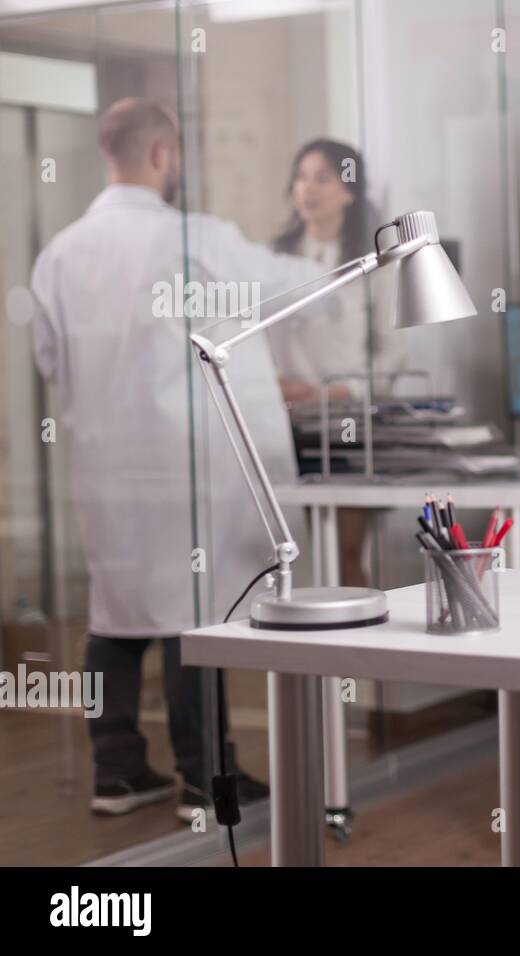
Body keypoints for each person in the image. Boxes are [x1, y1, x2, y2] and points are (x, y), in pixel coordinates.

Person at [30, 97, 329, 821]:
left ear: (111, 154)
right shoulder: (197, 237)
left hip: (107, 465)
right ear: (163, 155)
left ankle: (118, 771)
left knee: (118, 615)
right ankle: (205, 776)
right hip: (184, 466)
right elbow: (294, 290)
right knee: (193, 616)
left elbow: (47, 358)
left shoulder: (60, 252)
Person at [268, 139, 401, 587]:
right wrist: (275, 385)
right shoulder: (273, 259)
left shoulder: (376, 263)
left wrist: (336, 392)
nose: (308, 188)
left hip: (349, 424)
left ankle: (356, 652)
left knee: (345, 551)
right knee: (292, 551)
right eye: (302, 177)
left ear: (349, 191)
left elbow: (394, 354)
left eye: (322, 178)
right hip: (286, 423)